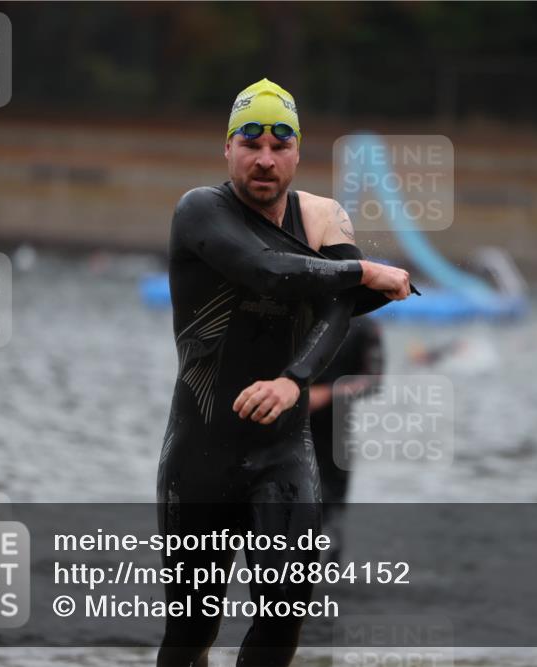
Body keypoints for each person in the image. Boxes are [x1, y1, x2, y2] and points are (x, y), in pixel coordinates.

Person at [155, 78, 413, 667]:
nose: (265, 159)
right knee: (191, 632)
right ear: (228, 148)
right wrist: (364, 270)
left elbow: (339, 310)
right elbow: (267, 270)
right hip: (200, 456)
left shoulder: (324, 217)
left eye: (280, 145)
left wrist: (293, 379)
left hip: (284, 454)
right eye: (251, 144)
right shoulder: (199, 210)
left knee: (283, 621)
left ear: (298, 153)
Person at [308, 315, 384, 563]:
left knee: (332, 503)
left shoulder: (364, 327)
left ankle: (331, 560)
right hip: (289, 424)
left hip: (336, 425)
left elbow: (373, 379)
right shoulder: (299, 314)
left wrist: (327, 393)